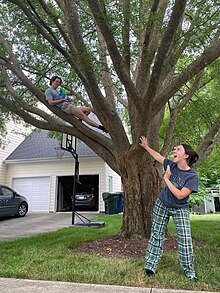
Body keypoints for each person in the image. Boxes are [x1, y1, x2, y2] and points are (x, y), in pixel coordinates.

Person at [139, 136, 199, 281]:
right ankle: (150, 266)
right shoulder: (171, 165)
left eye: (178, 149)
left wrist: (166, 179)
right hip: (162, 203)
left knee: (185, 239)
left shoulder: (192, 176)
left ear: (186, 156)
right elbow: (159, 156)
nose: (174, 150)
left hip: (180, 208)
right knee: (156, 235)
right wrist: (146, 147)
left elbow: (180, 195)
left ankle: (189, 271)